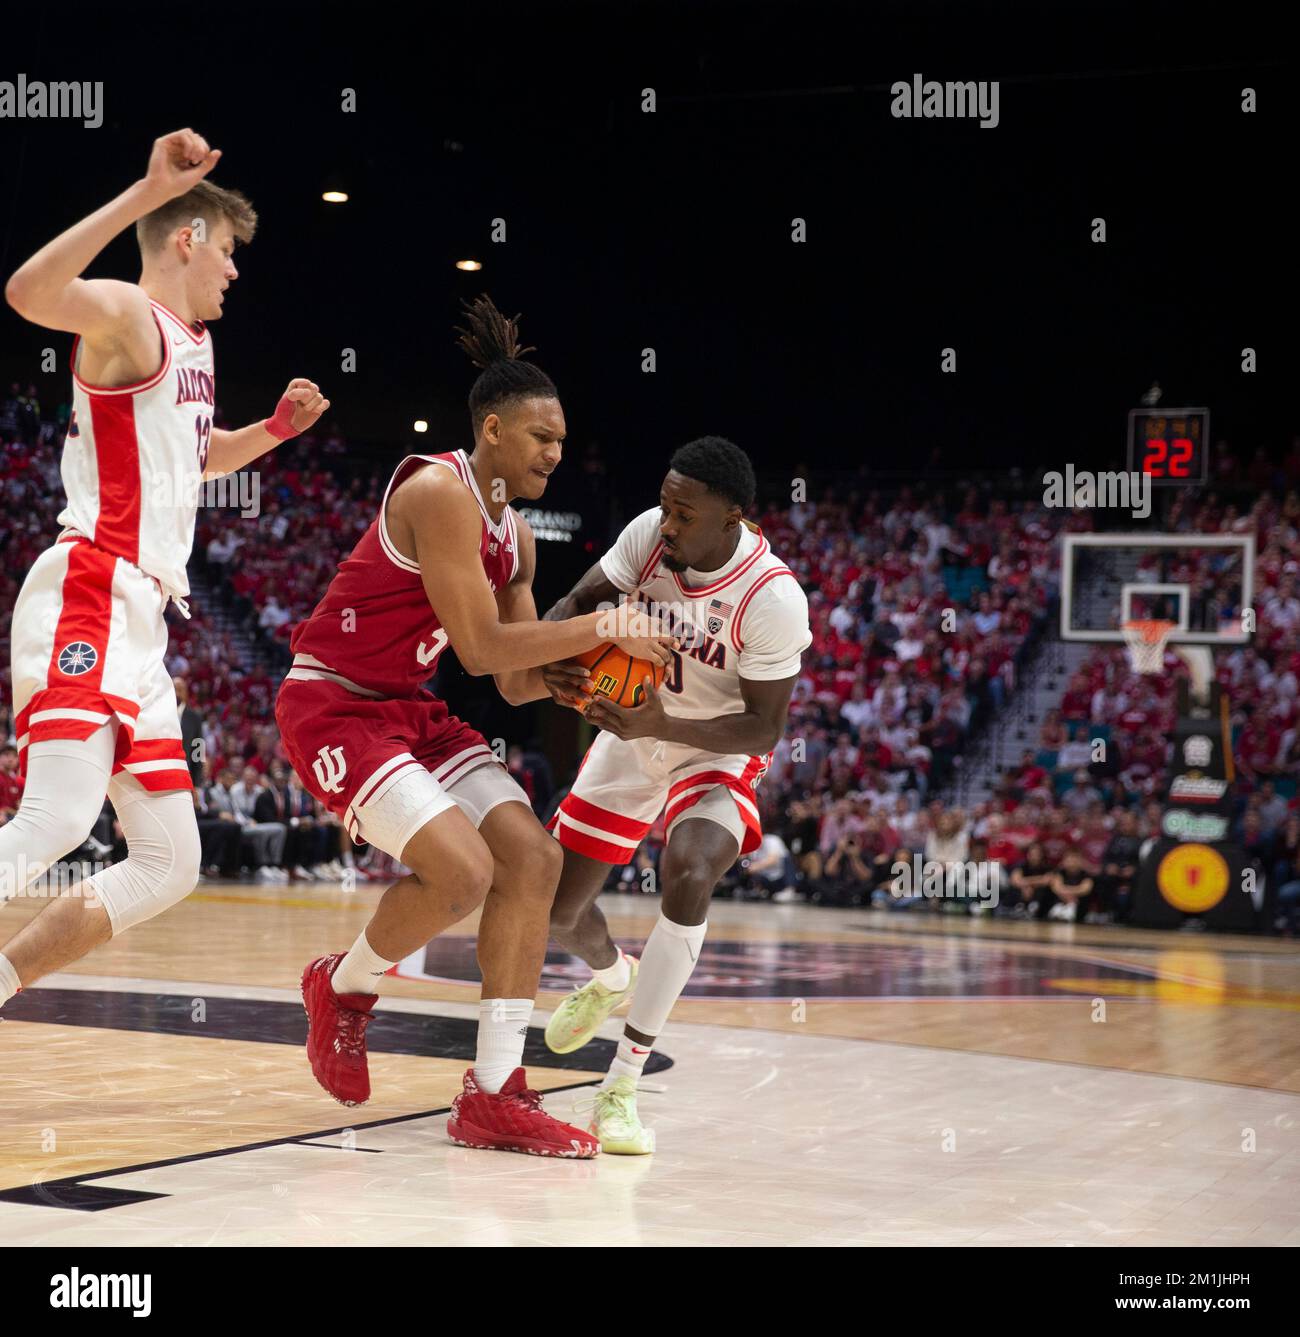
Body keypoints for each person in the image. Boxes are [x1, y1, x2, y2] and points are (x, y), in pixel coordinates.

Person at [274, 296, 672, 1158]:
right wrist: (606, 625)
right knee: (461, 872)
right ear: (492, 429)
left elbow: (512, 677)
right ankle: (340, 989)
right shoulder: (438, 491)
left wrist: (581, 688)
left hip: (410, 709)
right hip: (335, 700)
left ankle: (494, 1091)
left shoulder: (519, 540)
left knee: (533, 857)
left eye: (562, 440)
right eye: (541, 437)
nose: (555, 453)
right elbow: (484, 642)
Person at [0, 129, 326, 1006]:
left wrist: (272, 435)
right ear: (186, 240)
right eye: (226, 250)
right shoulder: (129, 317)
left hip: (145, 620)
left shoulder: (192, 347)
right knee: (60, 817)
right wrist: (144, 193)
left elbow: (194, 457)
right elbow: (28, 290)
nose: (234, 270)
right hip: (94, 586)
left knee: (172, 859)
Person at [537, 436, 812, 1154]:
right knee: (555, 908)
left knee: (691, 871)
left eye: (683, 514)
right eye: (664, 506)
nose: (666, 524)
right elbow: (575, 602)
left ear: (733, 520)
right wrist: (558, 662)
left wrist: (666, 722)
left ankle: (620, 1086)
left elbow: (764, 725)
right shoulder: (649, 537)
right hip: (633, 728)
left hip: (714, 748)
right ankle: (609, 975)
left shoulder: (772, 595)